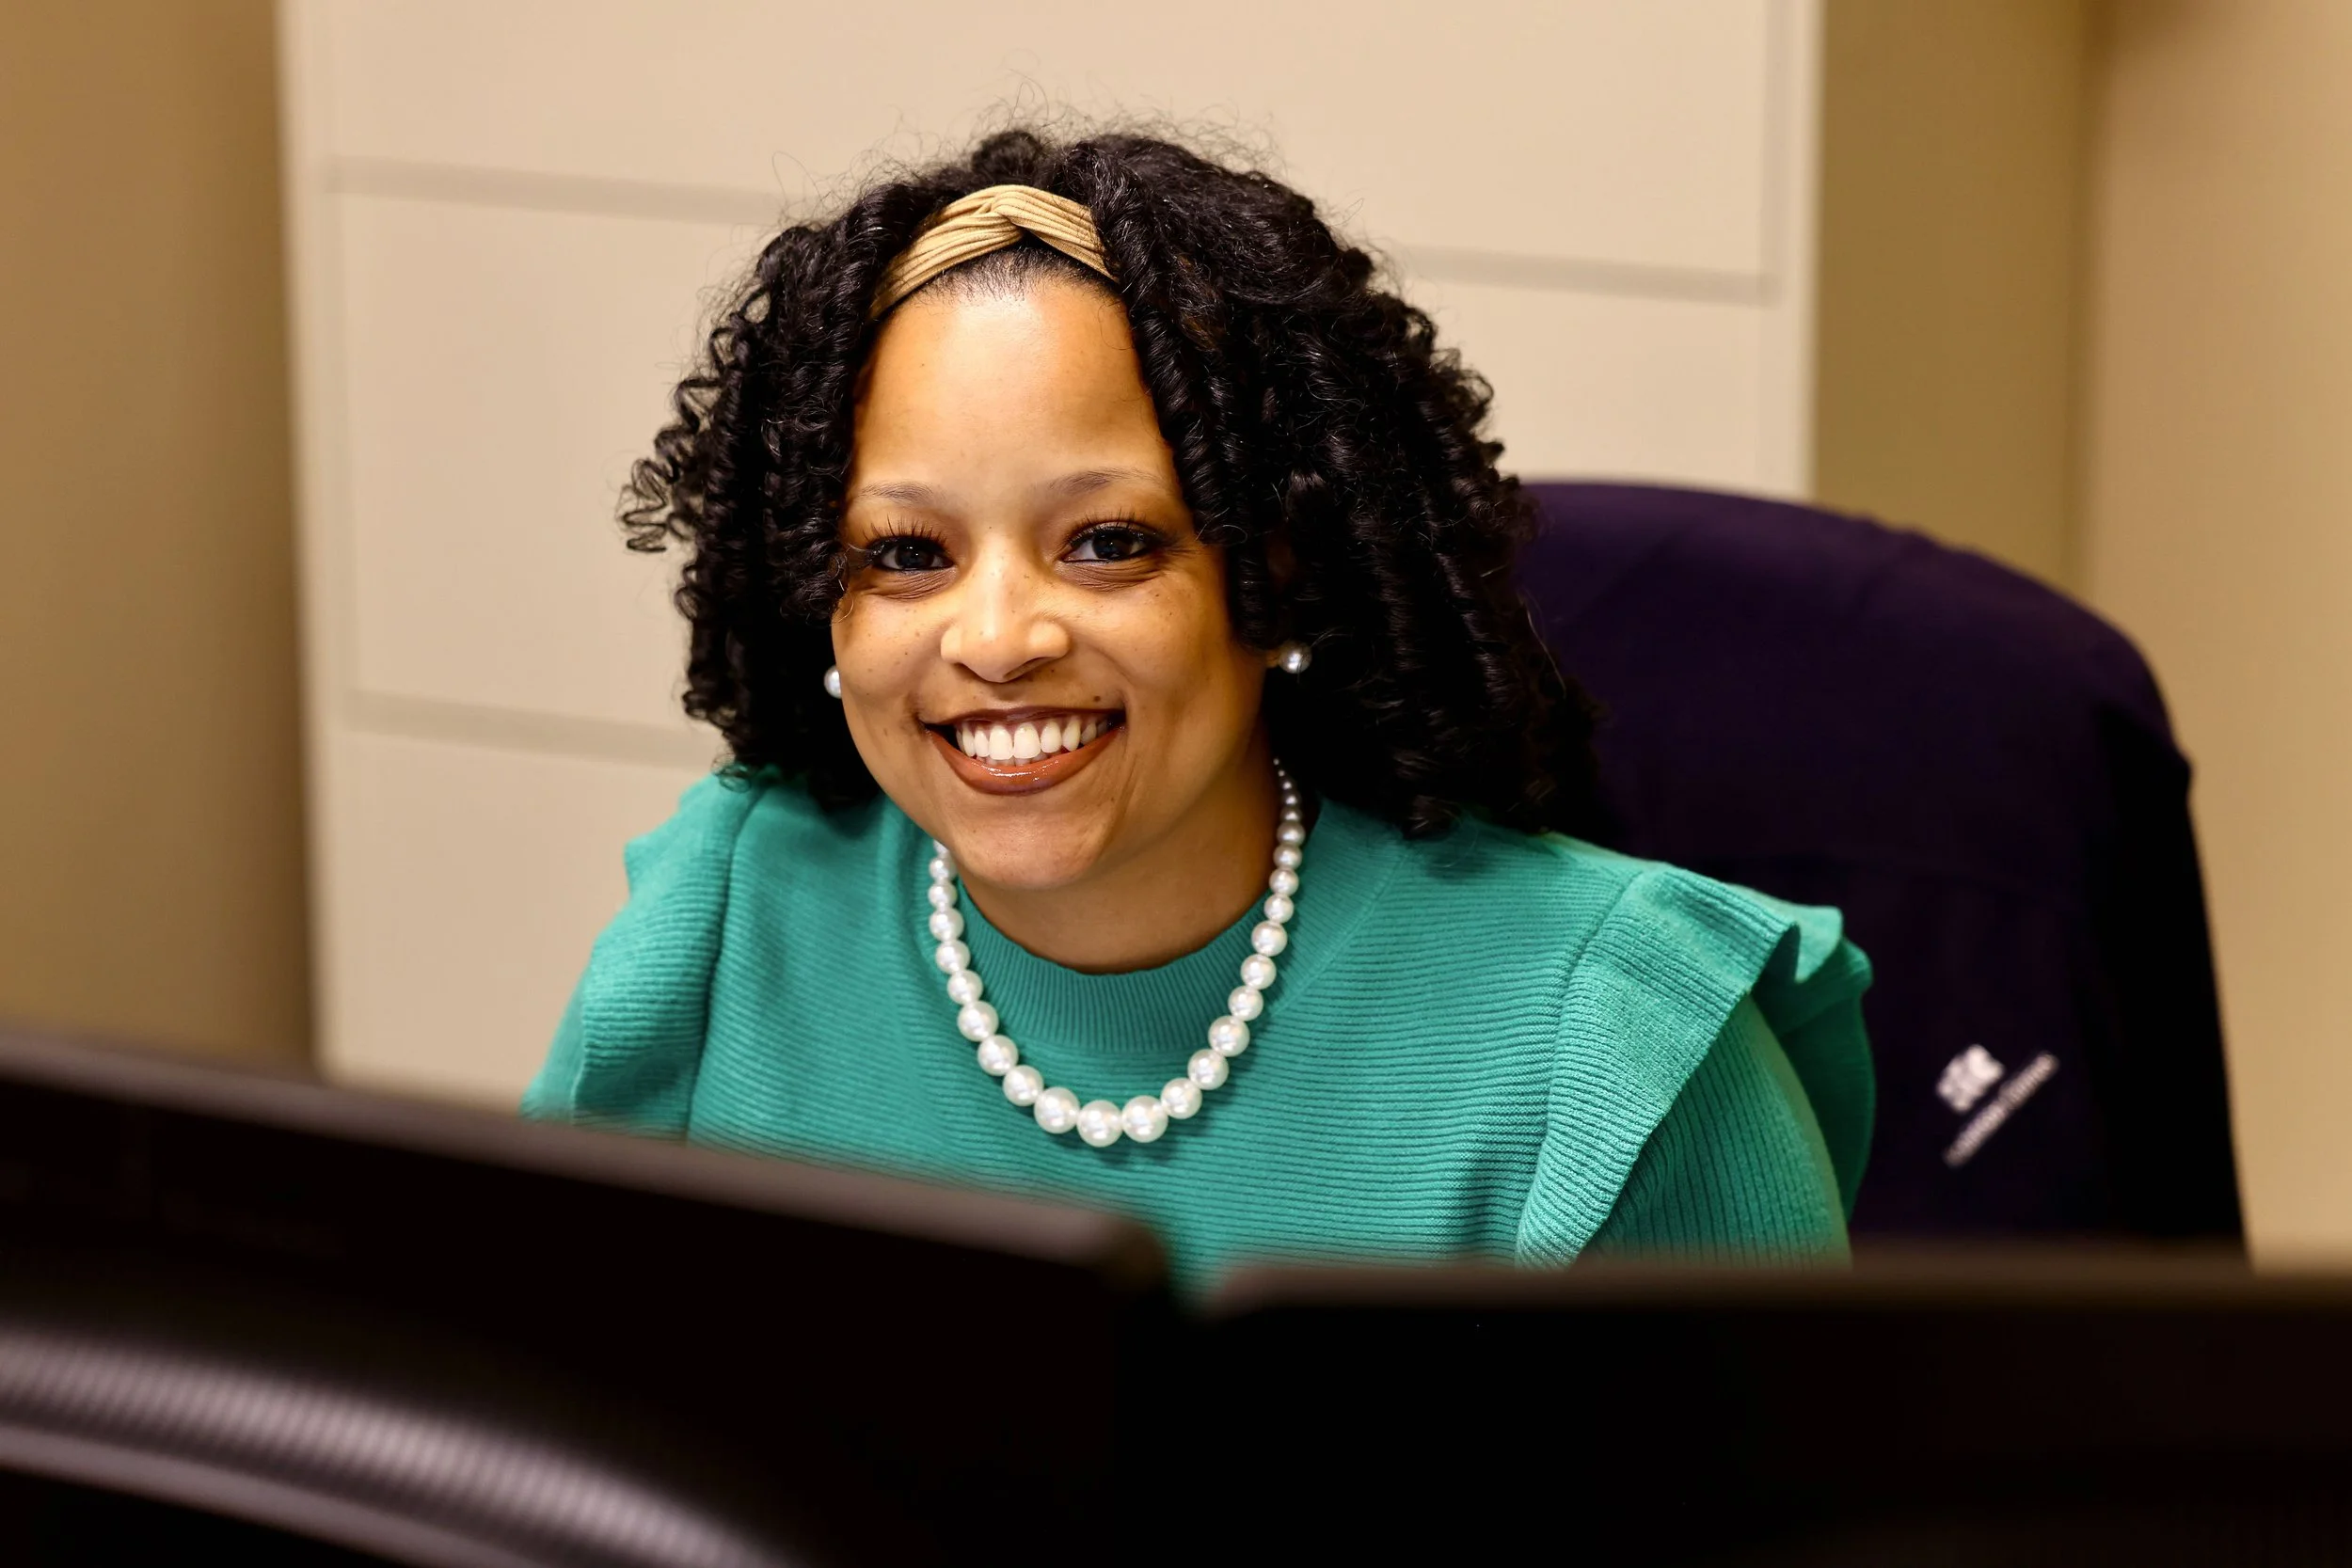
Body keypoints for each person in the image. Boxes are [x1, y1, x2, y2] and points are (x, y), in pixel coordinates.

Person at [524, 128, 1873, 1290]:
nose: (995, 640)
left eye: (1108, 542)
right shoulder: (719, 923)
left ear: (1275, 576)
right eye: (905, 554)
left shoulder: (1619, 1057)